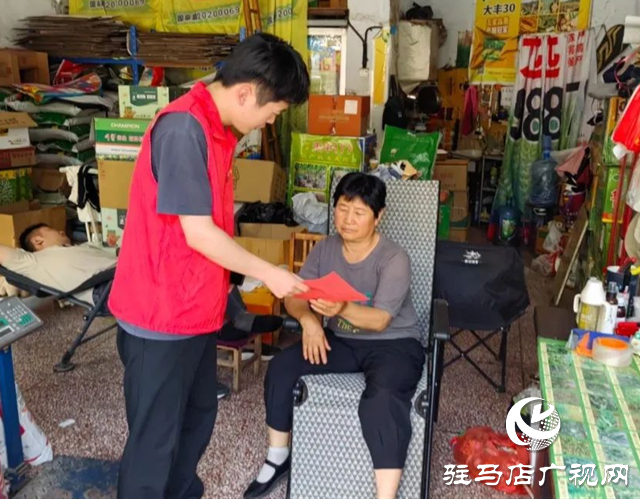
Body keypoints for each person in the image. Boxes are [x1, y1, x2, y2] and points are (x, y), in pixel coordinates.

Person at [107, 33, 310, 499]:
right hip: (159, 317)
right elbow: (199, 233)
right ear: (246, 93)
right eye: (273, 111)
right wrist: (269, 273)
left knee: (196, 418)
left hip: (195, 312)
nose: (269, 122)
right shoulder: (184, 130)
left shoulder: (219, 131)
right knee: (154, 444)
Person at [244, 173, 425, 499]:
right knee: (282, 368)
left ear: (378, 216)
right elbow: (295, 296)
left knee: (383, 399)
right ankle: (278, 457)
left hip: (394, 344)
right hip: (341, 340)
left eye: (359, 212)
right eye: (342, 208)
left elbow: (381, 320)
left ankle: (386, 495)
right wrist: (308, 322)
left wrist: (340, 307)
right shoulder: (325, 249)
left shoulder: (394, 258)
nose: (348, 219)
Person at [0, 223, 116, 304]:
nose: (62, 231)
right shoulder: (34, 261)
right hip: (107, 286)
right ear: (37, 240)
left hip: (118, 273)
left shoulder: (81, 247)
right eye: (54, 230)